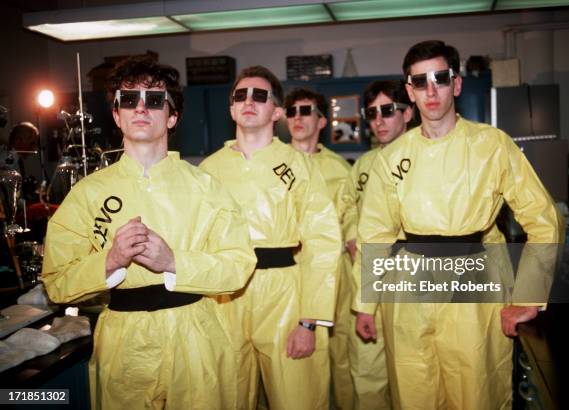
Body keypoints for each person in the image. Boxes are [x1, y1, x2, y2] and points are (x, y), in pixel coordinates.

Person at [352, 40, 563, 409]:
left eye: (441, 79)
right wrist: (365, 305)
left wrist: (529, 295)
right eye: (420, 82)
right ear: (409, 91)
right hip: (409, 291)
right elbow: (375, 234)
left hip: (475, 285)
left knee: (476, 392)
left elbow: (543, 219)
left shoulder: (491, 146)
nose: (431, 91)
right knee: (413, 390)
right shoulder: (393, 158)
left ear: (458, 84)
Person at [42, 57, 257, 410]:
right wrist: (109, 261)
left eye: (155, 100)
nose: (141, 107)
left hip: (196, 337)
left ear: (172, 117)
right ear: (116, 115)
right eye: (129, 99)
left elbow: (238, 264)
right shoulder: (87, 194)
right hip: (124, 343)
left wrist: (174, 262)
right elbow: (57, 281)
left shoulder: (206, 188)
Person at [200, 66, 341, 410]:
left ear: (276, 111)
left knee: (296, 399)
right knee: (225, 398)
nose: (249, 101)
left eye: (260, 95)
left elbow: (323, 242)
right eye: (240, 96)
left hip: (285, 297)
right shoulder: (208, 171)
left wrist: (309, 320)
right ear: (231, 108)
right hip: (223, 299)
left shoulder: (299, 166)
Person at [342, 80, 414, 410]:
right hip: (369, 279)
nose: (379, 120)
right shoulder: (362, 166)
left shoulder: (423, 157)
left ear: (408, 113)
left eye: (388, 111)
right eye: (372, 113)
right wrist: (352, 236)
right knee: (367, 373)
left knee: (414, 376)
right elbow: (347, 208)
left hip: (412, 283)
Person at [284, 87, 353, 409]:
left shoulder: (340, 169)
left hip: (334, 273)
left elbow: (353, 217)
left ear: (322, 120)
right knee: (289, 361)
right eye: (292, 111)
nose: (297, 117)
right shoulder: (274, 162)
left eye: (305, 111)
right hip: (286, 274)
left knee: (340, 356)